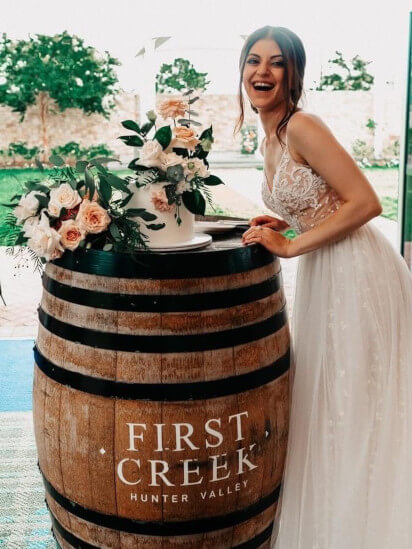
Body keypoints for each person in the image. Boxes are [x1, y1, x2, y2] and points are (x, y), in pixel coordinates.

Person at [237, 25, 412, 548]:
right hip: (323, 271)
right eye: (253, 61)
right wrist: (285, 226)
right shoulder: (268, 135)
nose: (262, 72)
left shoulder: (302, 125)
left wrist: (291, 246)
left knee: (359, 396)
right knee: (333, 394)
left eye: (276, 63)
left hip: (356, 270)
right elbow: (321, 206)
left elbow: (366, 203)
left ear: (294, 73)